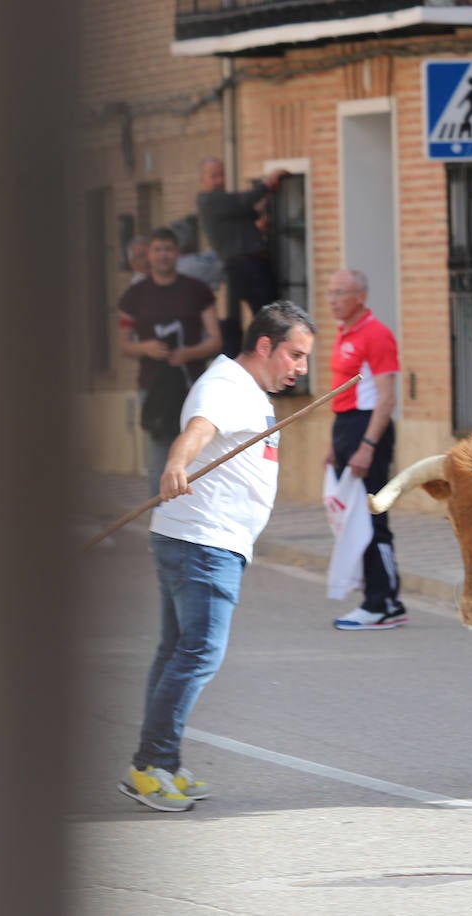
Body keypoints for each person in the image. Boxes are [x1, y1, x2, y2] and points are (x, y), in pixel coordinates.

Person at [119, 301, 316, 812]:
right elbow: (198, 431)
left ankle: (156, 764)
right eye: (294, 355)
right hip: (204, 544)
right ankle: (152, 765)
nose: (301, 368)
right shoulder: (225, 387)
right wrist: (175, 466)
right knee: (199, 652)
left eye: (306, 359)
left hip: (196, 539)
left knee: (176, 651)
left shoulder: (243, 388)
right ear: (265, 347)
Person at [324, 268, 407, 631]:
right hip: (346, 426)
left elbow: (386, 399)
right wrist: (333, 444)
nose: (332, 300)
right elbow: (341, 393)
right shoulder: (344, 334)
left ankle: (384, 601)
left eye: (339, 293)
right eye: (329, 293)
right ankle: (373, 595)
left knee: (373, 516)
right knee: (351, 518)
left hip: (367, 428)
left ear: (360, 296)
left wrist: (368, 446)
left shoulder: (376, 334)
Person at [117, 227, 222, 496]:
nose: (163, 255)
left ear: (177, 253)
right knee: (158, 459)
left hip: (192, 386)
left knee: (198, 454)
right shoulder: (135, 295)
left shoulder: (197, 290)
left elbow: (215, 340)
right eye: (157, 249)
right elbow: (123, 344)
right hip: (154, 387)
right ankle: (160, 525)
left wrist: (188, 353)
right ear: (148, 256)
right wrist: (147, 347)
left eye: (168, 249)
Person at [196, 156, 284, 357]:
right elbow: (243, 202)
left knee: (267, 317)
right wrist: (266, 183)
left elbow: (247, 211)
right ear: (203, 179)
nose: (219, 180)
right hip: (244, 266)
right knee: (267, 318)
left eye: (222, 175)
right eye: (214, 176)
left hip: (248, 266)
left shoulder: (222, 204)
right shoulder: (210, 200)